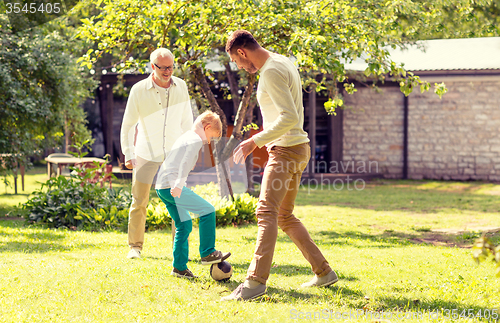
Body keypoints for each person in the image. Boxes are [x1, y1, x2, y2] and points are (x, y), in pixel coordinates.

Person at [221, 30, 338, 301]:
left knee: (266, 212)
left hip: (285, 151)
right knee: (284, 215)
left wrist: (255, 141)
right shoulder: (283, 61)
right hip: (299, 148)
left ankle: (255, 283)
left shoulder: (271, 71)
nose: (240, 67)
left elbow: (289, 116)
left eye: (237, 62)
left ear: (242, 52)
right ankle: (324, 272)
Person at [120, 48, 194, 259]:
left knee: (178, 200)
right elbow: (128, 125)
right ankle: (135, 247)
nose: (168, 71)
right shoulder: (138, 90)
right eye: (163, 68)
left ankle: (180, 249)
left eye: (171, 67)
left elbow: (187, 122)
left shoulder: (181, 86)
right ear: (153, 67)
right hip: (145, 153)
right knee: (139, 200)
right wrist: (129, 154)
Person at [155, 111, 231, 279]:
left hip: (162, 186)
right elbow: (185, 161)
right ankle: (208, 252)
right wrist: (179, 184)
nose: (209, 141)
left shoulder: (186, 137)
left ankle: (179, 268)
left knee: (184, 225)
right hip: (172, 186)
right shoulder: (196, 139)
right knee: (208, 210)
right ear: (207, 127)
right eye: (212, 137)